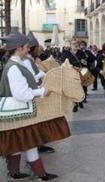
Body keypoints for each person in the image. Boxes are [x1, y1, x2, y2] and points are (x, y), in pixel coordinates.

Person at [0, 31, 62, 181]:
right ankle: (39, 174)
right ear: (19, 48)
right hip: (19, 110)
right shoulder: (14, 67)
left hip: (16, 112)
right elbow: (21, 94)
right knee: (30, 143)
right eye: (27, 47)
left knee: (19, 144)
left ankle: (17, 173)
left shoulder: (15, 64)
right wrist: (41, 92)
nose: (29, 49)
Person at [24, 31, 56, 154]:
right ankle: (37, 145)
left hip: (36, 91)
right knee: (38, 120)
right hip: (34, 93)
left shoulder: (30, 59)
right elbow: (32, 77)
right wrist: (42, 72)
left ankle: (39, 144)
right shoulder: (27, 61)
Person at [62, 40, 85, 112]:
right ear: (70, 45)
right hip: (71, 72)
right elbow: (63, 61)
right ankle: (75, 104)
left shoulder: (81, 52)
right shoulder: (66, 53)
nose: (75, 45)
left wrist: (84, 62)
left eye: (76, 43)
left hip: (80, 72)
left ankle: (80, 100)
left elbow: (86, 62)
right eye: (73, 44)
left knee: (81, 87)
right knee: (73, 88)